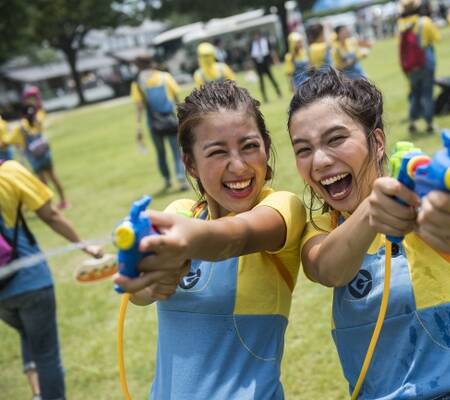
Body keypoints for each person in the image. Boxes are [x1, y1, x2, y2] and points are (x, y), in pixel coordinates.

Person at [287, 68, 450, 399]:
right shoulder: (322, 225)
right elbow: (327, 269)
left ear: (378, 141)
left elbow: (444, 224)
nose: (320, 161)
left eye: (336, 139)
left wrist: (449, 206)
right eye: (303, 149)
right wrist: (372, 210)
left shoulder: (416, 191)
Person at [114, 80, 306, 399]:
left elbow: (234, 237)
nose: (239, 165)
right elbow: (143, 293)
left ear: (266, 147)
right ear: (190, 164)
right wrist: (152, 282)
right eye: (217, 152)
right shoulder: (181, 212)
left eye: (249, 146)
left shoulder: (282, 209)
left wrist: (184, 240)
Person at [0, 160, 102, 400]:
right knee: (46, 353)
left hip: (2, 296)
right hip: (30, 280)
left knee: (29, 333)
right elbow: (51, 215)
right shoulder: (9, 172)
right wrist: (85, 246)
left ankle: (37, 394)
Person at [131, 54, 187, 192]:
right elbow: (176, 98)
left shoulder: (138, 83)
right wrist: (182, 117)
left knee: (160, 153)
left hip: (153, 123)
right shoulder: (165, 77)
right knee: (177, 152)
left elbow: (139, 106)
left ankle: (167, 179)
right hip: (170, 120)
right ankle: (181, 179)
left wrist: (138, 126)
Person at [6, 106, 69, 209]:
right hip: (45, 154)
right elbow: (41, 112)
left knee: (43, 183)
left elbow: (6, 141)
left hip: (35, 159)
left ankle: (50, 206)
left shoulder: (20, 128)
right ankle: (64, 201)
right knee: (53, 177)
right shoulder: (37, 121)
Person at [399, 0, 441, 135]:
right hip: (426, 60)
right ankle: (429, 123)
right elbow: (436, 38)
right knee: (427, 94)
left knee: (415, 93)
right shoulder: (424, 21)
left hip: (411, 64)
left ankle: (412, 121)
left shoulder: (402, 25)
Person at [250, 31, 282, 103]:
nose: (256, 38)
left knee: (272, 79)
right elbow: (252, 55)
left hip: (266, 63)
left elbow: (272, 52)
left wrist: (276, 61)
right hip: (258, 65)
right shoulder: (253, 44)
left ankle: (278, 92)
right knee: (261, 82)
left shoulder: (265, 41)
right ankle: (264, 97)